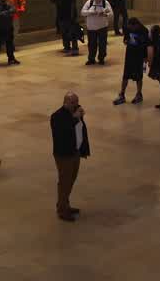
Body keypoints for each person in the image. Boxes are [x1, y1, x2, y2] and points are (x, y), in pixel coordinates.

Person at [50, 92, 89, 222]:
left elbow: (80, 130)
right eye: (72, 102)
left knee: (71, 180)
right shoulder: (57, 116)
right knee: (64, 182)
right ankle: (62, 209)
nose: (75, 105)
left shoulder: (76, 113)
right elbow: (63, 132)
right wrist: (75, 118)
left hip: (75, 152)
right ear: (65, 102)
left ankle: (65, 204)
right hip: (64, 155)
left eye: (76, 102)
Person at [114, 18, 150, 105]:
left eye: (132, 27)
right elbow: (125, 39)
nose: (131, 29)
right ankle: (122, 94)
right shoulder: (127, 28)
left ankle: (139, 94)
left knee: (139, 75)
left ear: (136, 25)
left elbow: (147, 44)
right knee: (126, 75)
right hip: (129, 54)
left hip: (140, 56)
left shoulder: (144, 30)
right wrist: (126, 41)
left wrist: (146, 58)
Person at [81, 0, 113, 66]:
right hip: (91, 28)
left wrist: (105, 14)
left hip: (102, 27)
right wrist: (91, 12)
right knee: (91, 44)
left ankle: (101, 58)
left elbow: (111, 14)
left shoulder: (105, 3)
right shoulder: (89, 2)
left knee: (102, 44)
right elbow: (82, 12)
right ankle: (91, 59)